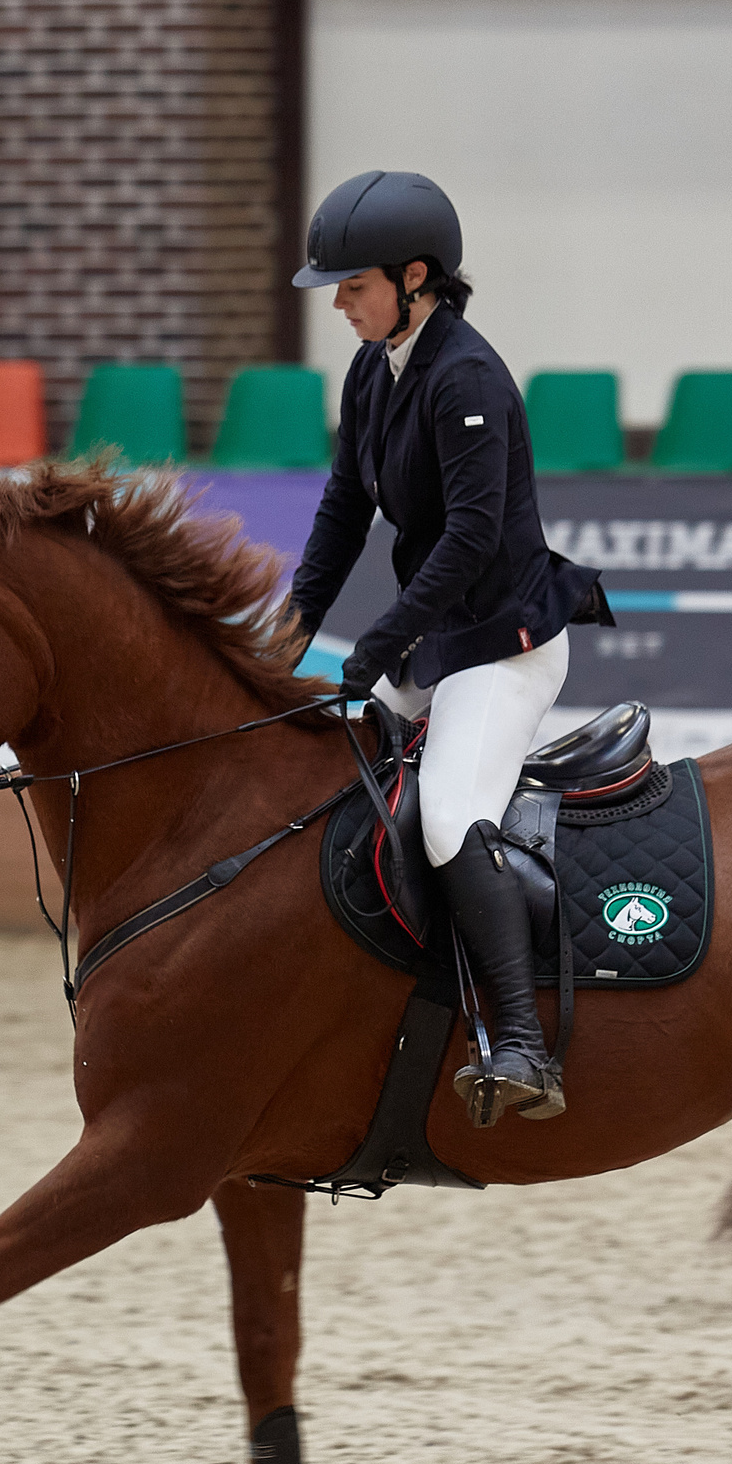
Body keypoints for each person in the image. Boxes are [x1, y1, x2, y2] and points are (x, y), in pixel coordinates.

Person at [286, 169, 609, 1123]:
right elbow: (343, 510)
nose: (339, 306)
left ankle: (523, 1044)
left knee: (447, 818)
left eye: (352, 287)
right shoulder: (375, 366)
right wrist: (289, 629)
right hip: (433, 646)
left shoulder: (466, 378)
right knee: (340, 786)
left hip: (502, 647)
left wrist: (379, 638)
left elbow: (470, 538)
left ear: (414, 277)